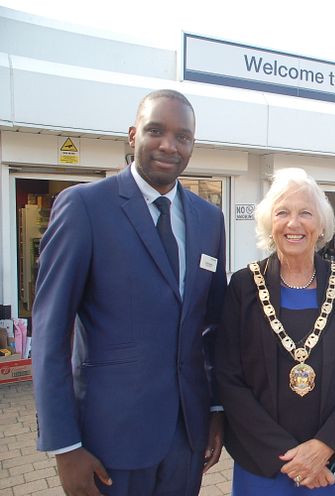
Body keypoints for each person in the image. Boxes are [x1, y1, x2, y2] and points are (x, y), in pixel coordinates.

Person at [32, 89, 227, 495]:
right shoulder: (85, 208)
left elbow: (212, 326)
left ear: (193, 145)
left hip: (185, 437)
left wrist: (215, 409)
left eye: (183, 136)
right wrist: (65, 446)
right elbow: (50, 334)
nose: (168, 145)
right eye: (156, 130)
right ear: (133, 134)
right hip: (109, 442)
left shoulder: (209, 219)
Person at [216, 167, 335, 495]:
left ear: (321, 225)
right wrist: (290, 458)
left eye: (305, 212)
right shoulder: (243, 286)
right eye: (282, 213)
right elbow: (228, 378)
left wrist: (323, 448)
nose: (294, 223)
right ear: (268, 223)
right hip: (264, 467)